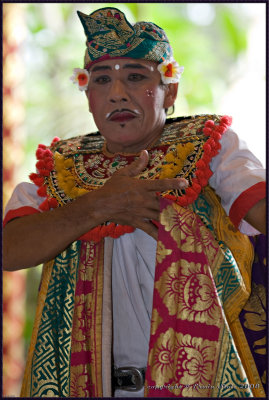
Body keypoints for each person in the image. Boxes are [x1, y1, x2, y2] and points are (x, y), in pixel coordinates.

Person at [3, 7, 266, 398]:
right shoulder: (60, 167)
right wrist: (99, 206)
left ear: (170, 90)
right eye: (102, 80)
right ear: (88, 95)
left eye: (136, 77)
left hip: (198, 381)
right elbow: (9, 250)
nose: (117, 93)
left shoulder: (211, 146)